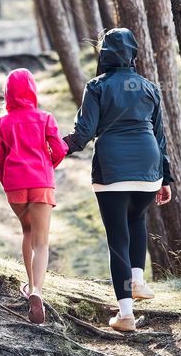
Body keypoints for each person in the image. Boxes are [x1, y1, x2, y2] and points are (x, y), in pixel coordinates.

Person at [63, 28, 173, 332]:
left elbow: (84, 133)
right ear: (133, 53)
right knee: (137, 219)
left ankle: (125, 315)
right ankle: (138, 281)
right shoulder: (150, 87)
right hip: (149, 168)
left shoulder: (96, 86)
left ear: (104, 54)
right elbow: (160, 137)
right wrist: (165, 178)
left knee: (117, 240)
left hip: (113, 169)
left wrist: (57, 148)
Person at [0, 68, 67, 324]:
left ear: (8, 93)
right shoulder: (45, 118)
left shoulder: (1, 123)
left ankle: (30, 284)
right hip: (41, 183)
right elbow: (58, 150)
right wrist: (47, 167)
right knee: (42, 242)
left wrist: (9, 184)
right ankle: (37, 291)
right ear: (32, 90)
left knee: (26, 233)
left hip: (16, 187)